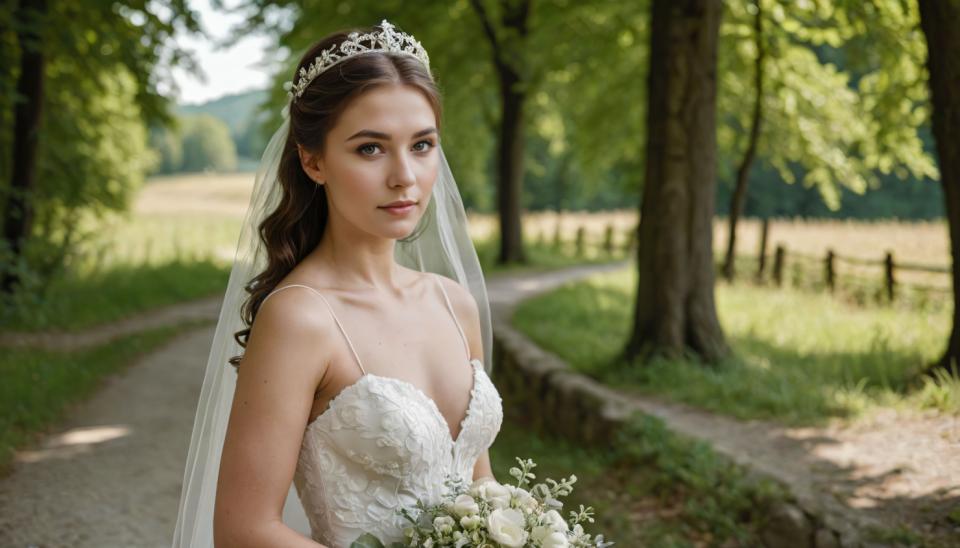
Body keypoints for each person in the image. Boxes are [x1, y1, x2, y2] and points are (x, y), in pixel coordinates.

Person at [171, 21, 503, 548]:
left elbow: (478, 484)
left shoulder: (453, 302)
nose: (404, 176)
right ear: (313, 160)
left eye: (422, 145)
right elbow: (243, 530)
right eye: (371, 149)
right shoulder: (300, 318)